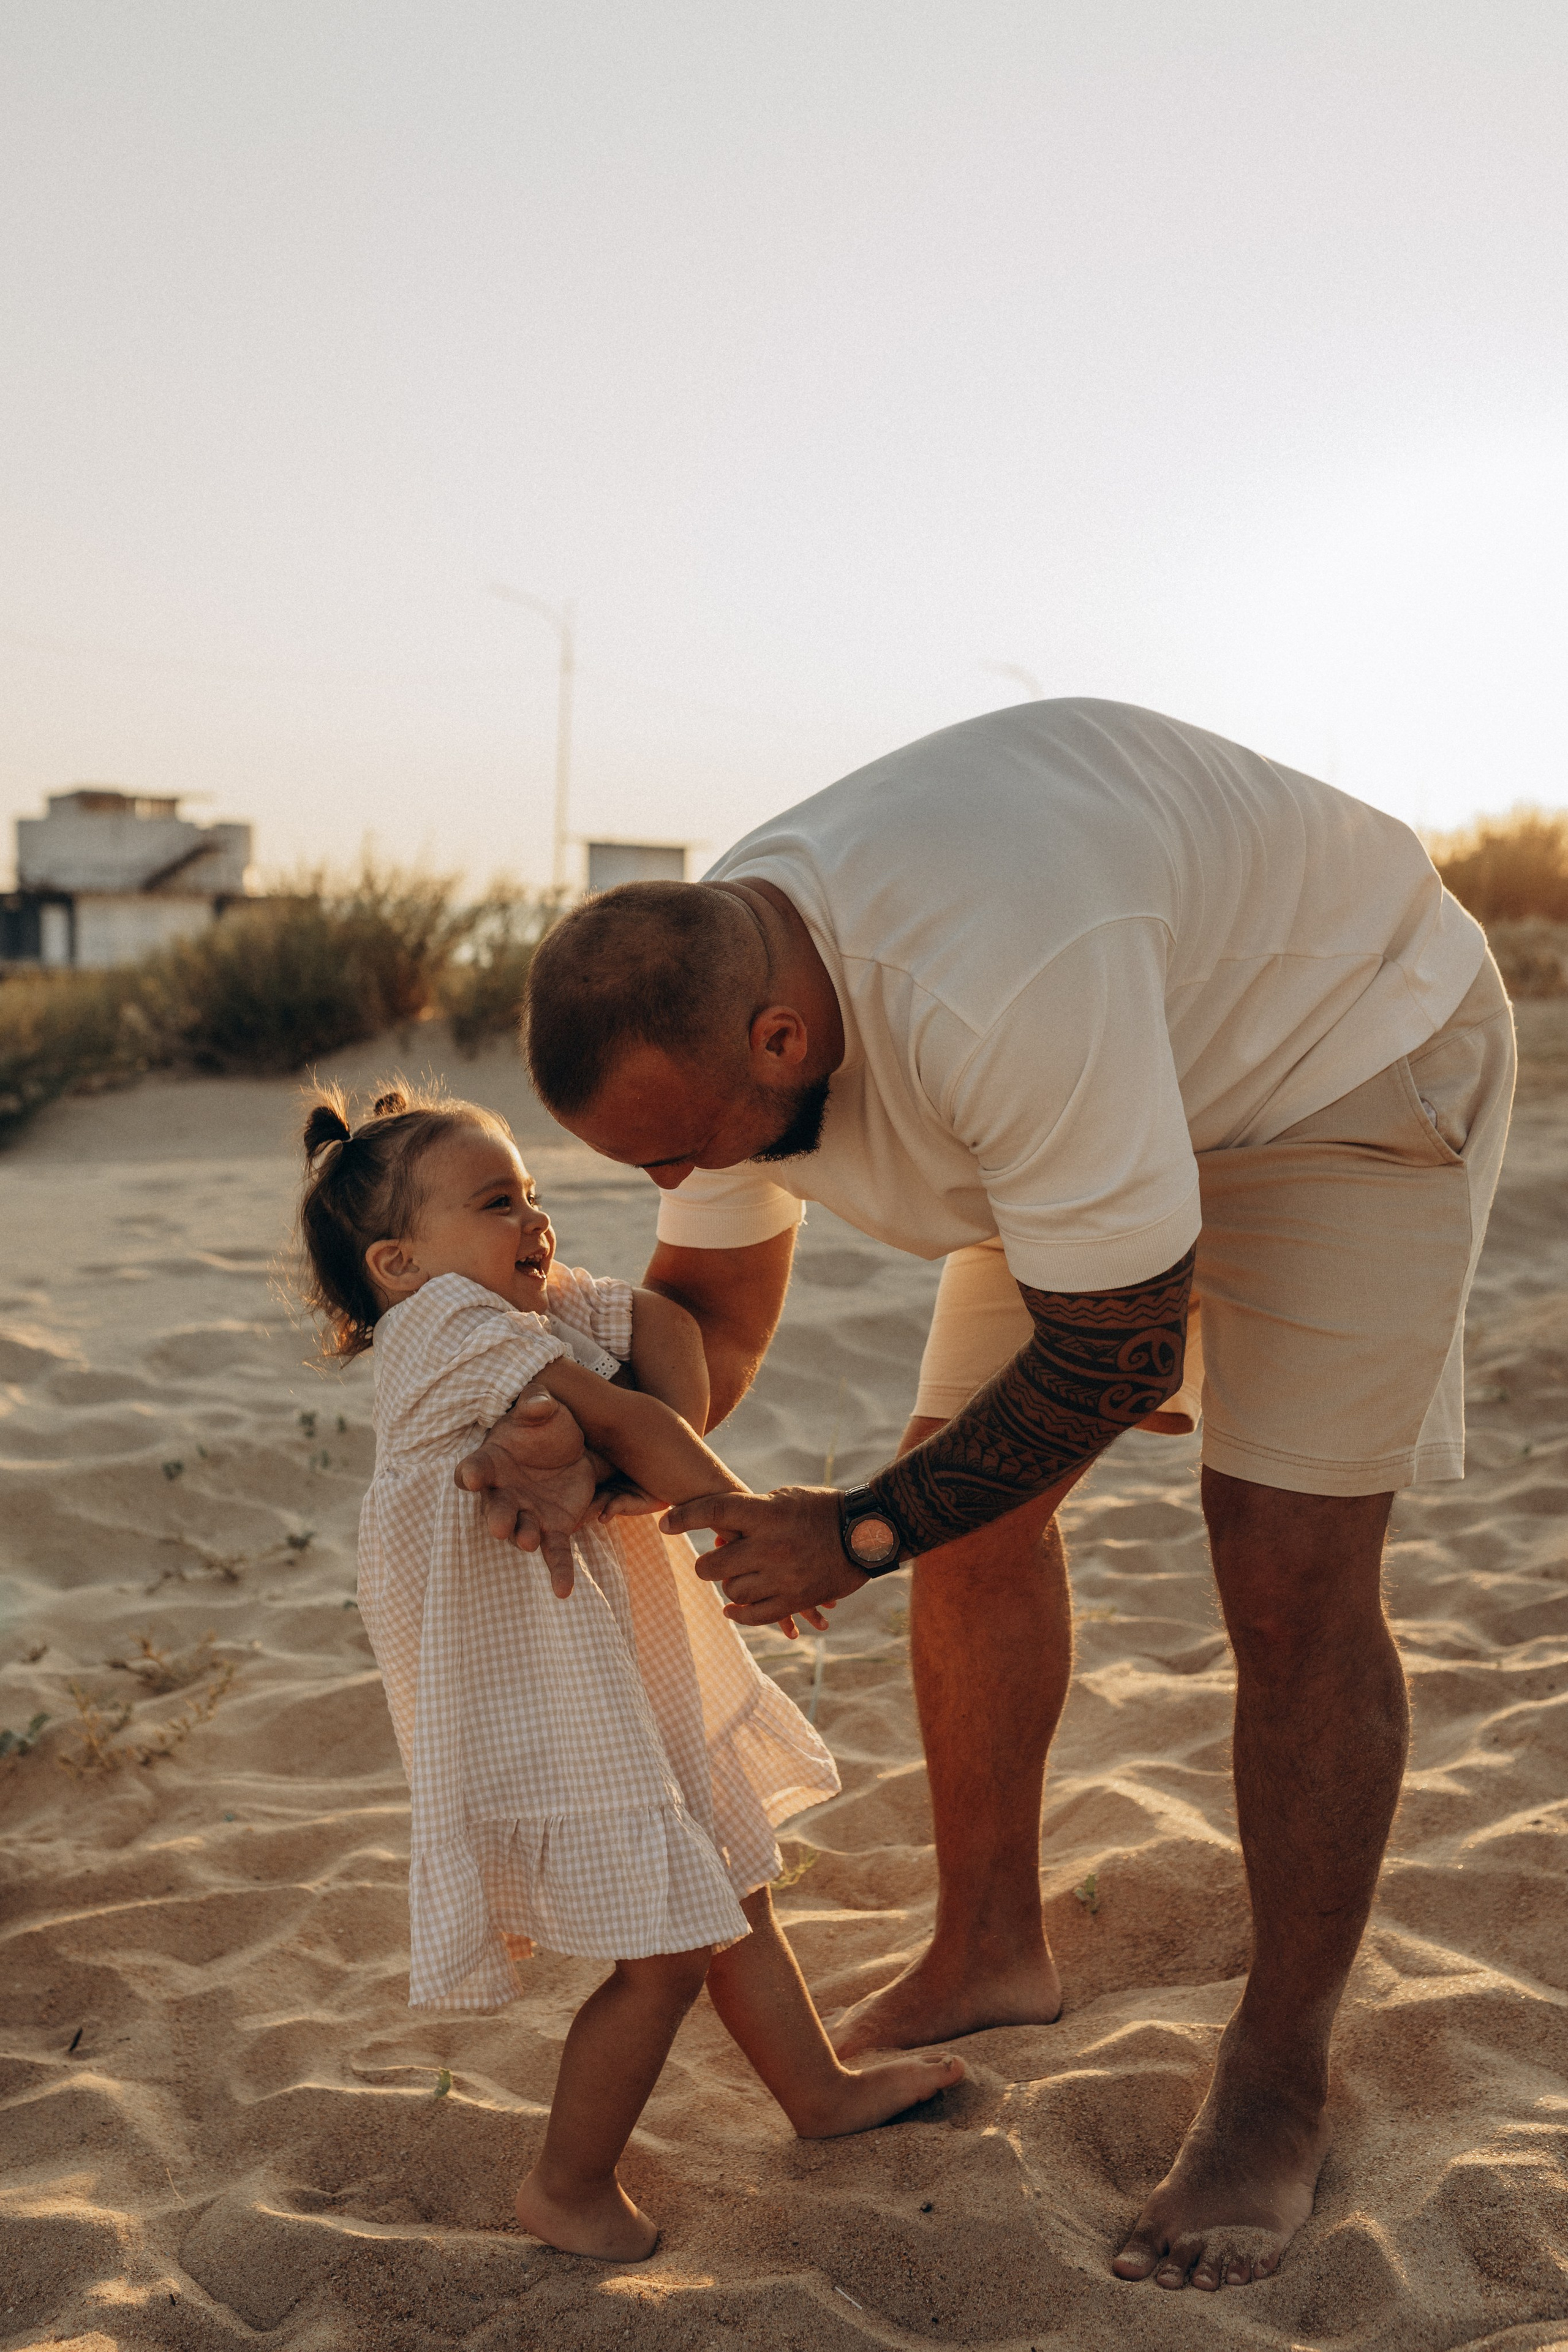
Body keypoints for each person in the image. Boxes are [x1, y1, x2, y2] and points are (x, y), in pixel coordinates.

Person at [464, 696, 1517, 2293]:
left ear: (781, 1042)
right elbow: (719, 1324)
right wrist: (590, 1443)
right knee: (974, 1509)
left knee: (1286, 1568)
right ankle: (989, 1950)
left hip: (1346, 1056)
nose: (676, 1185)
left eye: (684, 1154)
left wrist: (857, 1528)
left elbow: (1117, 1350)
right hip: (1103, 1090)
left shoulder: (990, 977)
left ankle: (1279, 2070)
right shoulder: (715, 977)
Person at [295, 1085, 964, 2263]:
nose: (535, 1221)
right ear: (399, 1264)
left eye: (535, 1195)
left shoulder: (512, 1317)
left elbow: (670, 1335)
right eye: (499, 1202)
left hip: (591, 1650)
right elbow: (639, 1421)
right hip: (530, 1676)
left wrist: (554, 1290)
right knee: (661, 1954)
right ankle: (567, 2184)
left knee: (723, 1875)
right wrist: (747, 1527)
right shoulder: (448, 1327)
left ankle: (816, 2090)